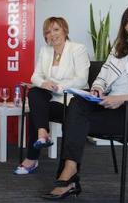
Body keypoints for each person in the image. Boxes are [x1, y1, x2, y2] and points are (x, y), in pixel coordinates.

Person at [43, 4, 128, 200]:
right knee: (77, 103)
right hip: (108, 107)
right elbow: (102, 79)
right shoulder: (119, 50)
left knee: (75, 119)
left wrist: (120, 99)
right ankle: (70, 172)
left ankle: (69, 175)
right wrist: (97, 90)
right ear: (124, 25)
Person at [13, 17, 90, 174]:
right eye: (48, 32)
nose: (52, 34)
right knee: (35, 93)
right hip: (52, 96)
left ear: (65, 31)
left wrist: (57, 87)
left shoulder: (78, 49)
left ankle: (32, 158)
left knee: (37, 109)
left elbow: (82, 79)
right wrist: (43, 84)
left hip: (72, 100)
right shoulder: (45, 50)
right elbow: (35, 76)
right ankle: (43, 133)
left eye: (56, 29)